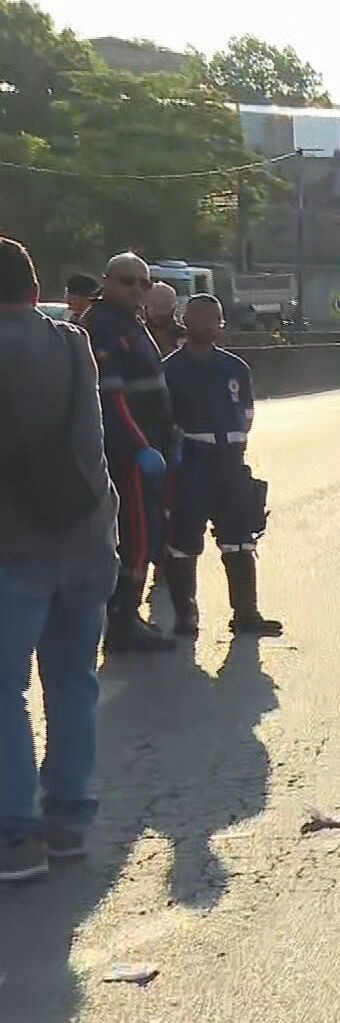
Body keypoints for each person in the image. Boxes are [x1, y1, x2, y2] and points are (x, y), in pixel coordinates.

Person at [0, 237, 120, 881]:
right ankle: (67, 821)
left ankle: (17, 835)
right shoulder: (72, 342)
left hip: (12, 547)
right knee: (73, 682)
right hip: (85, 536)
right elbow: (91, 444)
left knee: (3, 690)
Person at [159, 294, 281, 638]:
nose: (210, 325)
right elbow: (162, 419)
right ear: (186, 321)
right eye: (201, 318)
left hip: (231, 464)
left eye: (216, 318)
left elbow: (247, 411)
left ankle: (246, 615)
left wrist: (236, 444)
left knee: (241, 539)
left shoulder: (235, 367)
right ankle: (186, 617)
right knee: (184, 542)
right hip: (192, 465)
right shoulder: (171, 368)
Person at [82, 252, 176, 653]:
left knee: (149, 530)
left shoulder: (133, 324)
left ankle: (128, 615)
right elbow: (112, 400)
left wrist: (170, 438)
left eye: (144, 282)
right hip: (126, 451)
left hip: (151, 443)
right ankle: (121, 622)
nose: (138, 289)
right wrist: (140, 448)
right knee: (135, 535)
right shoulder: (101, 327)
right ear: (106, 282)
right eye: (128, 281)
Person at [143, 281, 183, 355]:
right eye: (155, 305)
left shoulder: (188, 338)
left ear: (174, 307)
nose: (160, 312)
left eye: (164, 305)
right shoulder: (136, 335)